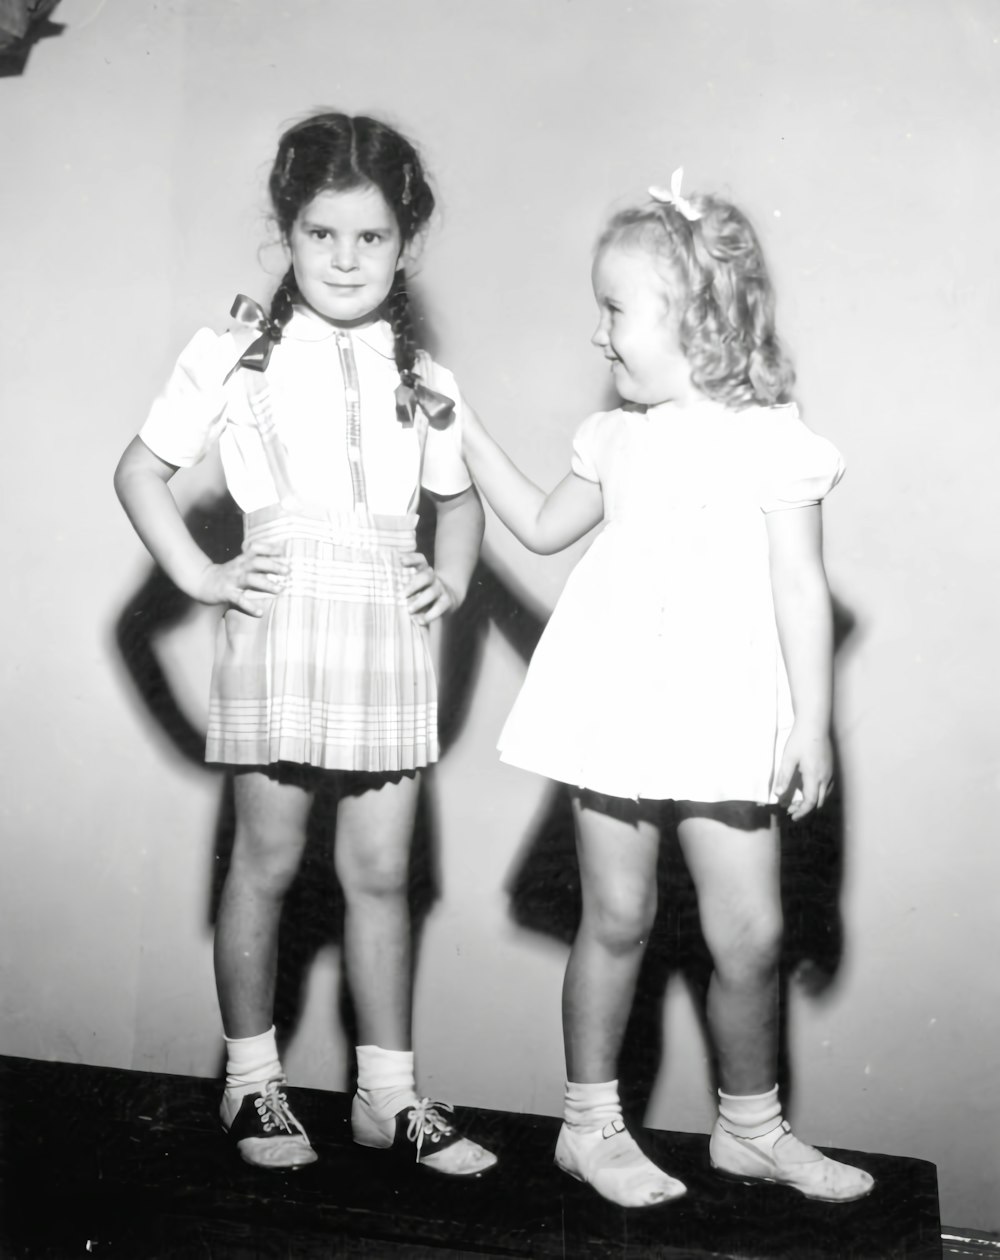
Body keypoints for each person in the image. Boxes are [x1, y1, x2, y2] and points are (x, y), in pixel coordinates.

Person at [460, 169, 874, 1207]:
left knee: (752, 936)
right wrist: (459, 424)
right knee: (617, 916)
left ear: (693, 315)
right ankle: (588, 1127)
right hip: (616, 705)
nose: (597, 335)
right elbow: (541, 526)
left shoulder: (772, 434)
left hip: (724, 708)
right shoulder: (615, 438)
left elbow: (798, 585)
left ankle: (749, 1128)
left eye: (613, 309)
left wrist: (811, 724)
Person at [114, 112, 495, 1178]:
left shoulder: (427, 377)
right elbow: (139, 472)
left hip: (384, 634)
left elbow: (458, 508)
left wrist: (453, 577)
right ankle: (251, 1084)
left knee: (380, 874)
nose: (343, 258)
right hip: (279, 626)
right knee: (269, 862)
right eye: (320, 233)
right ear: (285, 232)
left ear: (405, 243)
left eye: (369, 238)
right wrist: (201, 576)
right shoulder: (232, 350)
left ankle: (387, 1096)